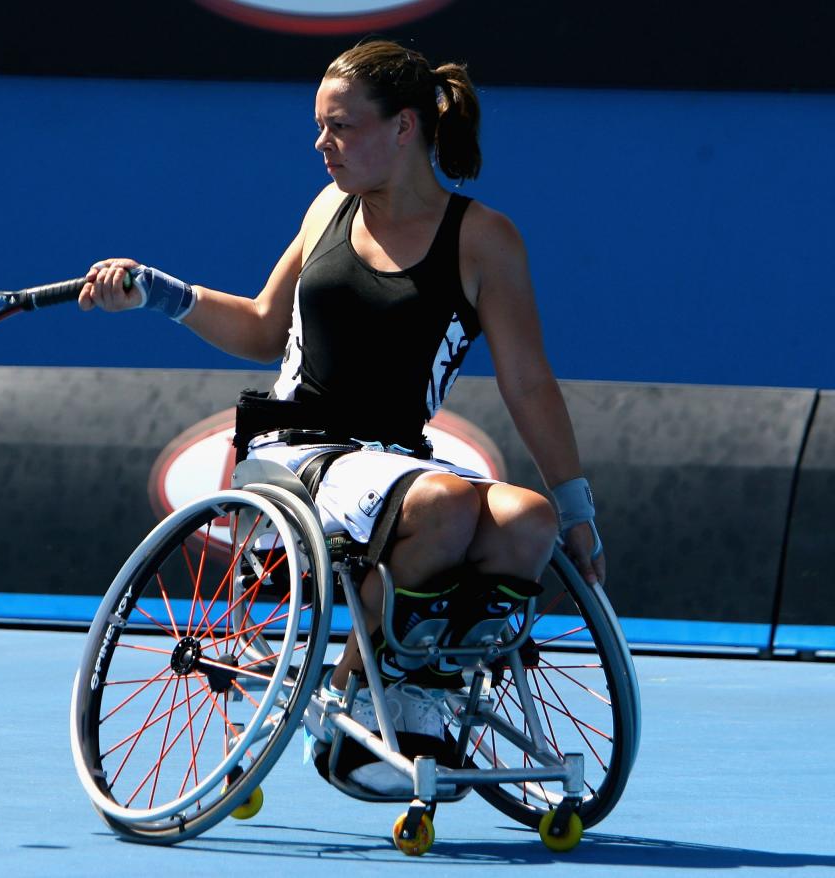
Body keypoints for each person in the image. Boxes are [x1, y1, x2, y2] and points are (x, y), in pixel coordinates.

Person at [79, 39, 604, 786]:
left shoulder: (486, 240)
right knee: (448, 503)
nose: (322, 144)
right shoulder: (329, 207)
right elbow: (264, 325)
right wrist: (162, 293)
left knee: (528, 521)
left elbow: (529, 384)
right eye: (320, 126)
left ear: (405, 128)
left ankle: (424, 689)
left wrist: (576, 507)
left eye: (341, 126)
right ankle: (356, 695)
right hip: (294, 455)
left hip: (398, 463)